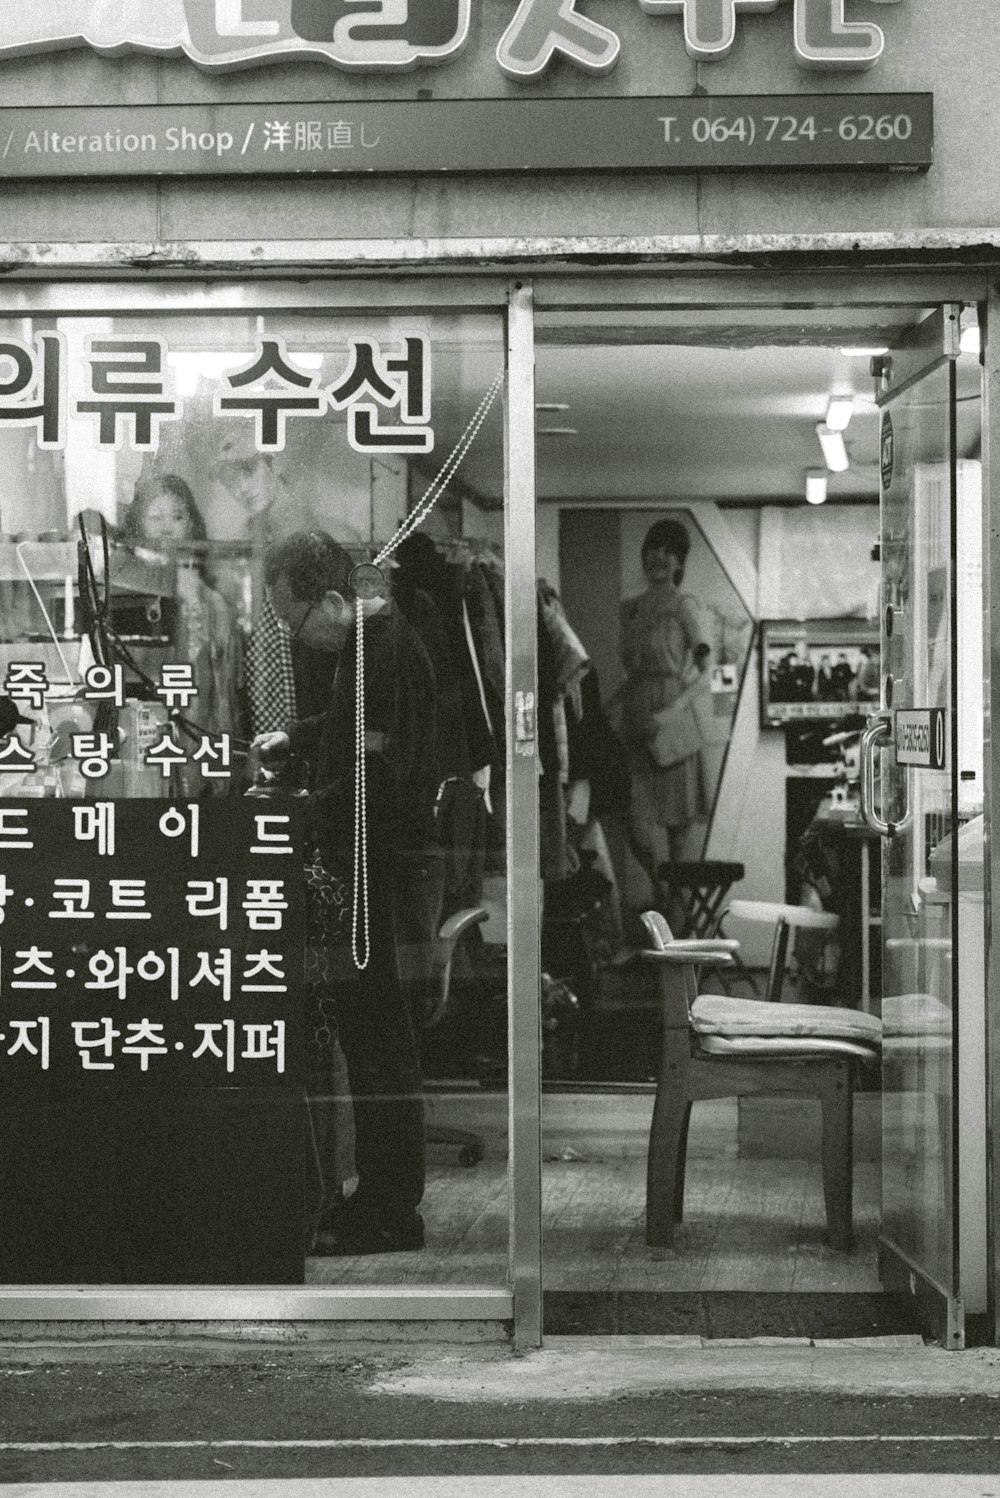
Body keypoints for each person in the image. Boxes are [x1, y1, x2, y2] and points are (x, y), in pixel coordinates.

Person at [252, 530, 440, 1256]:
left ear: (332, 600)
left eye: (296, 622)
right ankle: (384, 1201)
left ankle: (390, 1209)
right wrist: (295, 739)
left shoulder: (381, 652)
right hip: (378, 864)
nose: (299, 639)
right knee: (375, 1037)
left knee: (381, 1041)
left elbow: (379, 776)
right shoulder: (373, 644)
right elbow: (353, 734)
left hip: (385, 869)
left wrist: (300, 810)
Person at [121, 474, 243, 782]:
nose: (166, 527)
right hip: (136, 732)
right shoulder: (121, 590)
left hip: (198, 730)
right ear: (138, 524)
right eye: (155, 517)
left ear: (191, 523)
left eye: (177, 516)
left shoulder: (211, 597)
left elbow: (223, 686)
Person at [619, 516, 712, 885]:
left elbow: (707, 670)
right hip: (636, 711)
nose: (658, 557)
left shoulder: (684, 605)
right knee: (632, 817)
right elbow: (628, 666)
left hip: (671, 716)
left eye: (668, 551)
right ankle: (662, 890)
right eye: (652, 549)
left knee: (679, 821)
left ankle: (677, 914)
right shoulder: (629, 609)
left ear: (679, 561)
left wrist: (674, 709)